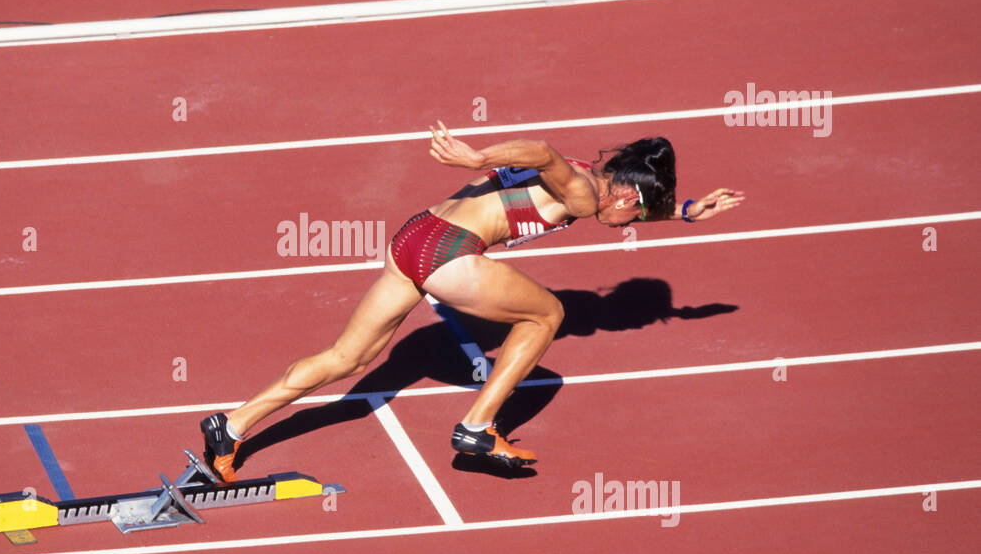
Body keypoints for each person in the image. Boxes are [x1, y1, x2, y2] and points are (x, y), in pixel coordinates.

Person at [200, 122, 745, 480]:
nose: (627, 224)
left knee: (347, 359)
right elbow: (541, 151)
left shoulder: (592, 180)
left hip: (413, 236)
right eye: (635, 214)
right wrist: (475, 157)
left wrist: (684, 211)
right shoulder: (580, 189)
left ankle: (232, 425)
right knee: (548, 314)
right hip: (449, 252)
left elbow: (584, 181)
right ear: (626, 194)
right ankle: (477, 428)